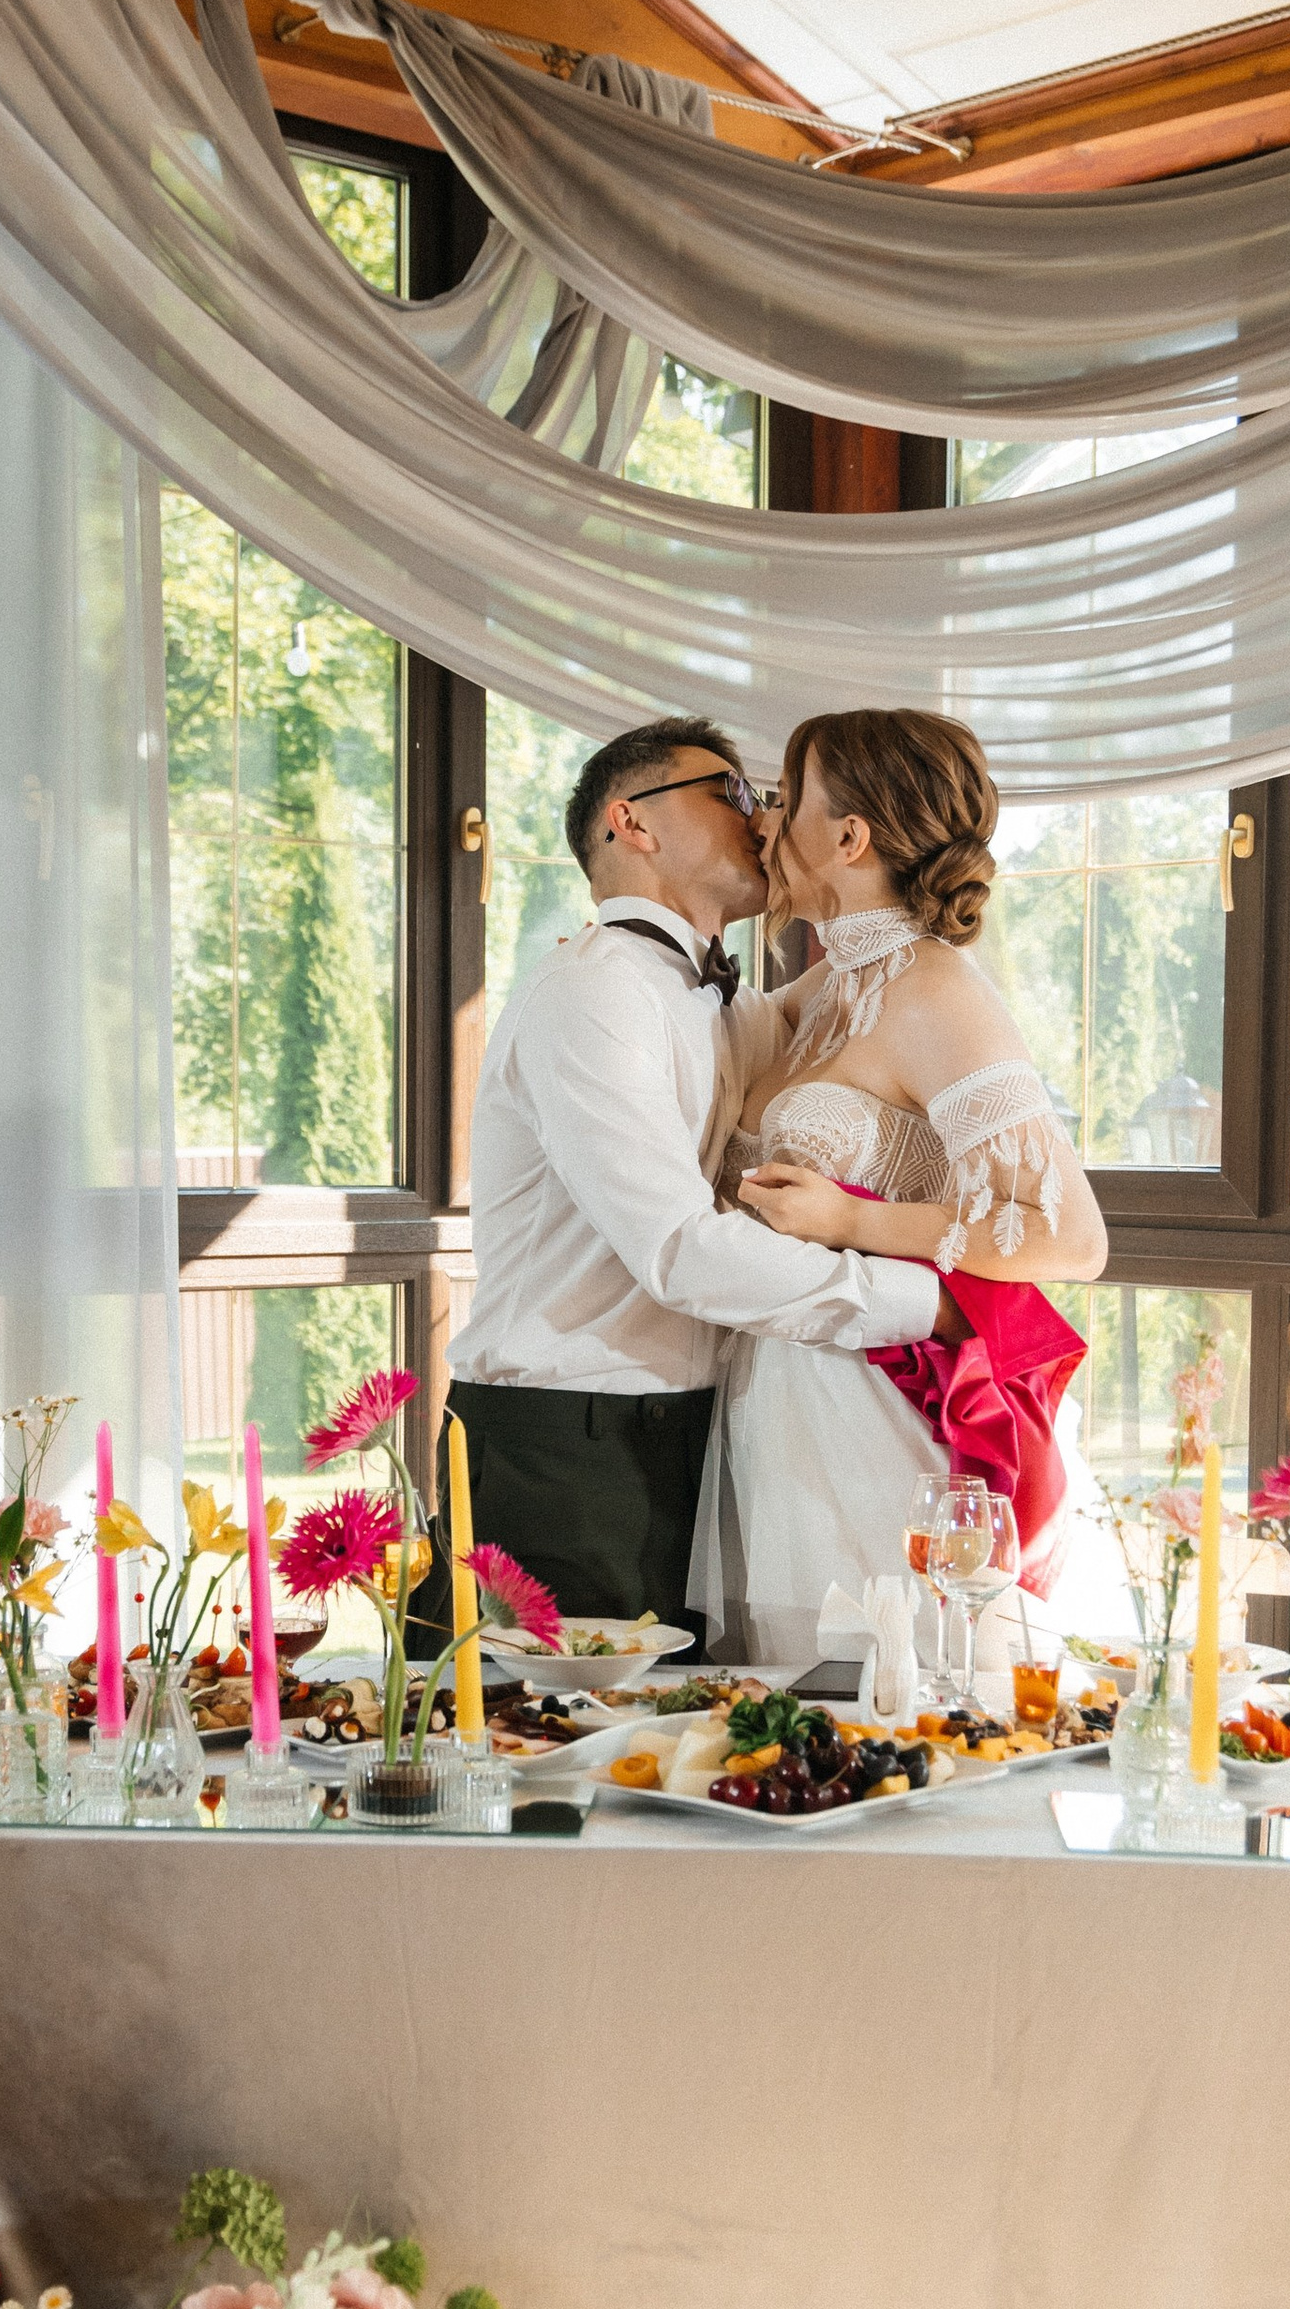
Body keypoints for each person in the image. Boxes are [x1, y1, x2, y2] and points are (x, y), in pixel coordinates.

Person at [446, 716, 946, 1635]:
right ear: (631, 824)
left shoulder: (723, 1005)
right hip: (566, 1448)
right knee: (548, 1759)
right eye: (733, 793)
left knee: (667, 1755)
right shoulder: (591, 992)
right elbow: (680, 1252)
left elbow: (881, 975)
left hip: (690, 1438)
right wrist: (925, 1307)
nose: (760, 821)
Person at [691, 706, 1108, 1666]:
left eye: (786, 801)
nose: (763, 821)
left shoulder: (937, 991)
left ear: (849, 837)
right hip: (774, 1389)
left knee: (892, 1689)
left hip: (872, 1412)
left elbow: (1070, 1236)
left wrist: (851, 1218)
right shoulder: (827, 990)